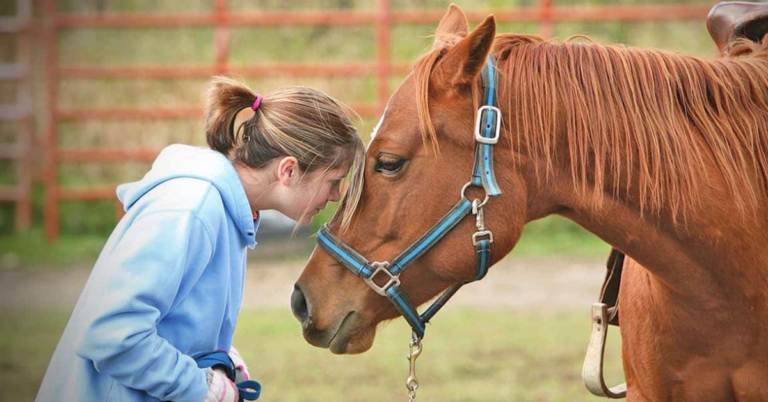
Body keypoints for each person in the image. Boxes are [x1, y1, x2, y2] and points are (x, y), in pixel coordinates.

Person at [36, 76, 364, 402]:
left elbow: (173, 319)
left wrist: (222, 359)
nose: (337, 195)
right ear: (288, 170)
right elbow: (110, 333)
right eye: (334, 180)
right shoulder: (192, 210)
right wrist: (202, 387)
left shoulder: (230, 213)